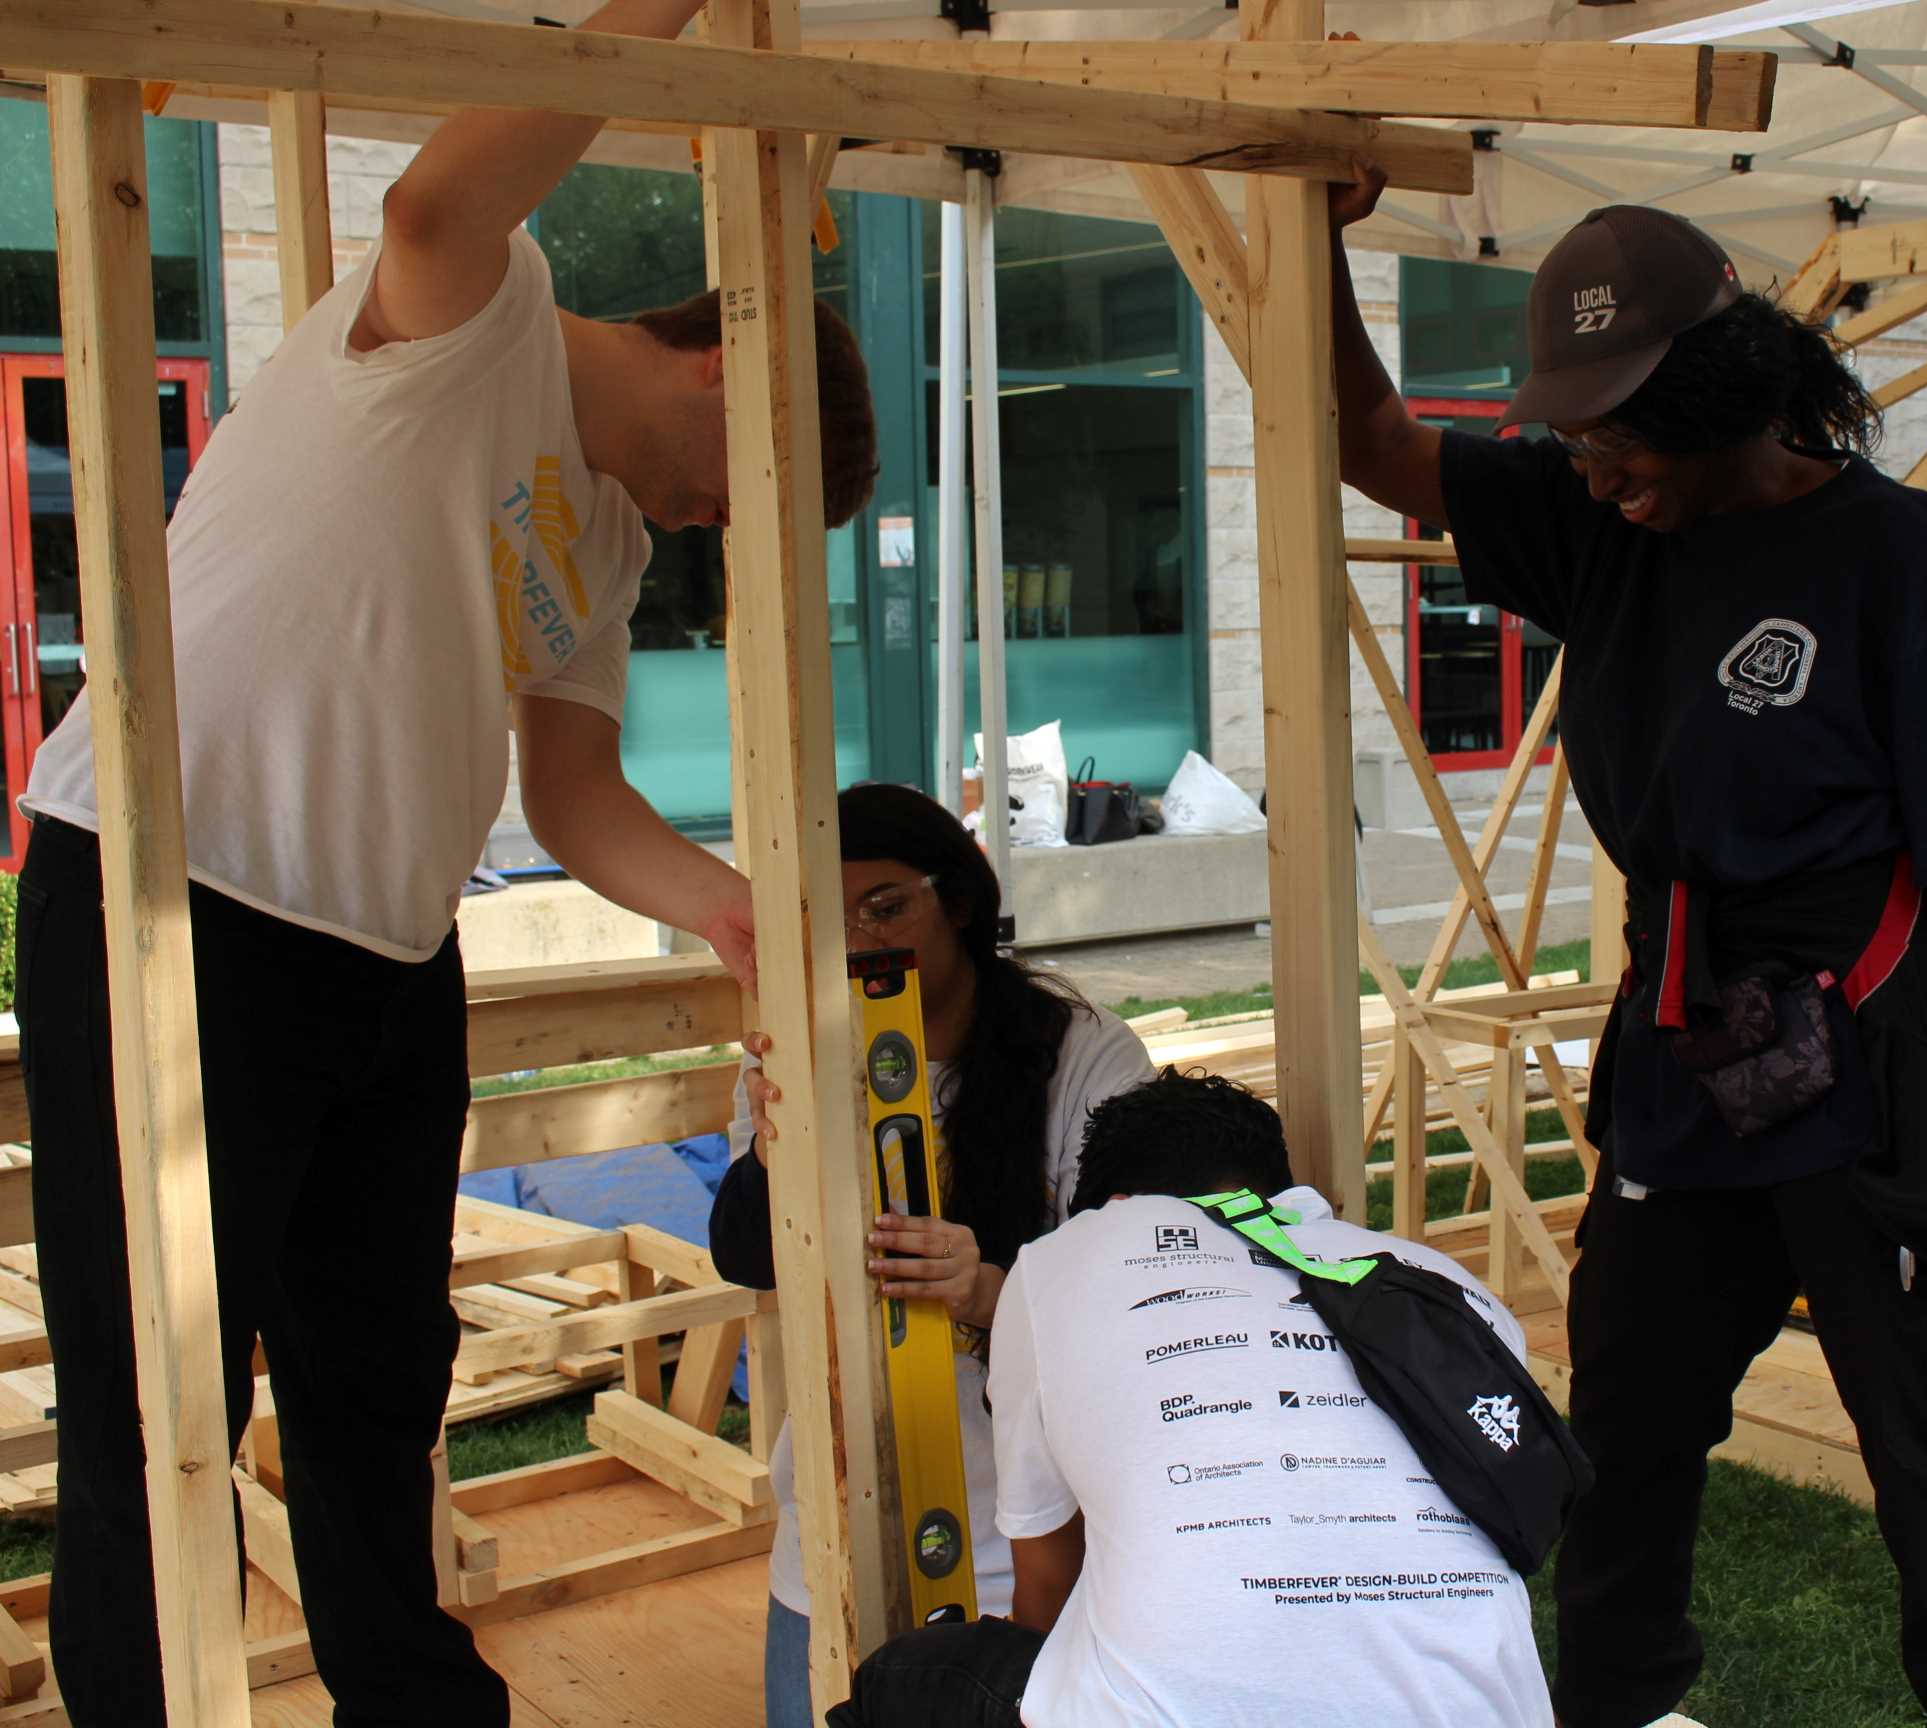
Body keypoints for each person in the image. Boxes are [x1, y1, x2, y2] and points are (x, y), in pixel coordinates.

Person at [12, 3, 875, 1718]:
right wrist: (653, 19)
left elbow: (572, 793)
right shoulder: (488, 314)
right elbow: (426, 209)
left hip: (390, 953)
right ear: (721, 362)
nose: (719, 526)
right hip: (177, 899)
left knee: (376, 1385)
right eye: (741, 491)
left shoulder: (612, 539)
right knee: (156, 1406)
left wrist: (722, 904)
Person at [1326, 175, 1927, 1728]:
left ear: (1718, 401)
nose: (1593, 470)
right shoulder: (1604, 531)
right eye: (1575, 441)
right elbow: (1378, 448)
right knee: (1625, 1431)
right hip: (1689, 1059)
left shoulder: (1893, 558)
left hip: (1882, 1063)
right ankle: (1620, 1710)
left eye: (1618, 440)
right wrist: (1316, 238)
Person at [830, 1069, 1556, 1728]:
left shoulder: (1063, 1259)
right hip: (1491, 1714)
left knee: (906, 1679)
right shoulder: (1445, 1284)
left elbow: (1045, 1592)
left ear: (1112, 1207)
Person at [706, 781, 1154, 1728]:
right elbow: (746, 1256)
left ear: (958, 898)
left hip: (1029, 1532)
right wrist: (774, 1143)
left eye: (887, 907)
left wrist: (993, 1290)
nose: (863, 943)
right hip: (835, 1516)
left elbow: (1135, 1290)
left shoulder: (1085, 1059)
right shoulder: (801, 1050)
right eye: (832, 921)